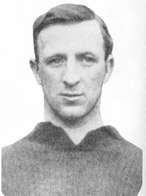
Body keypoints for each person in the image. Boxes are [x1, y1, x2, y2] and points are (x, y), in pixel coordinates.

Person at [2, 3, 142, 196]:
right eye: (56, 60)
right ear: (36, 71)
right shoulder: (6, 164)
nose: (71, 78)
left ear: (108, 68)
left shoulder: (137, 162)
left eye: (86, 59)